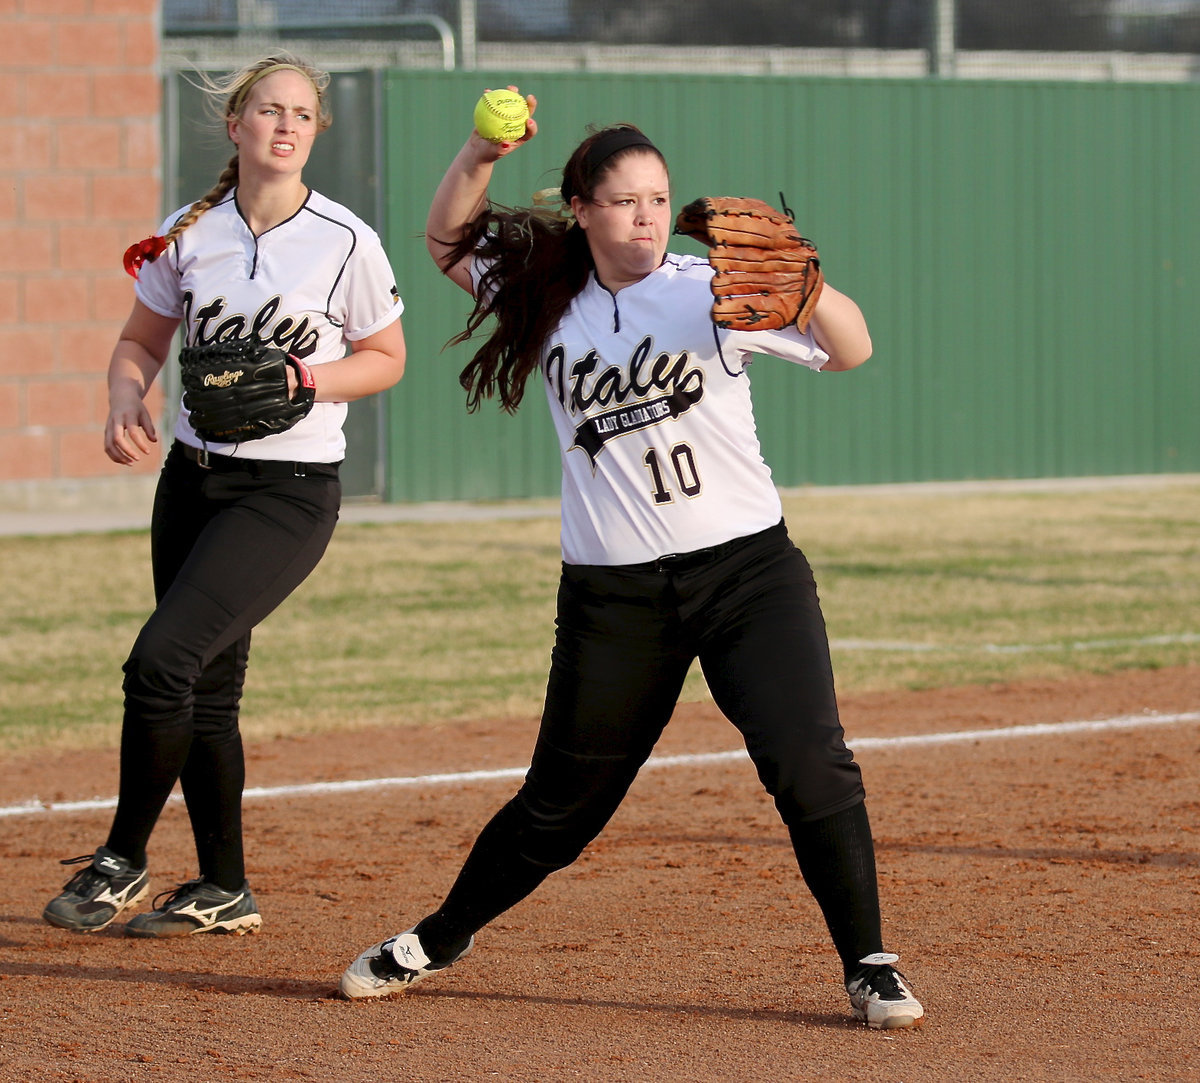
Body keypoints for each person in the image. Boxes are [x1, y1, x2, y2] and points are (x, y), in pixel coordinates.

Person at [340, 91, 924, 1030]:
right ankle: (439, 936)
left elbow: (850, 350)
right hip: (615, 598)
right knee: (563, 804)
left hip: (747, 576)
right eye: (624, 200)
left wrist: (812, 287)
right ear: (581, 209)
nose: (647, 216)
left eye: (658, 198)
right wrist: (484, 150)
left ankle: (871, 964)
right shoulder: (545, 292)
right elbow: (447, 234)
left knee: (810, 762)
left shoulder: (709, 289)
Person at [42, 53, 406, 939]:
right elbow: (139, 341)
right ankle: (224, 885)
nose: (285, 124)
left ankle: (122, 859)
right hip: (193, 479)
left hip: (287, 491)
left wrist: (306, 378)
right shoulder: (190, 229)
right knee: (208, 684)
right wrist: (127, 396)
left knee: (161, 660)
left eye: (303, 114)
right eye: (269, 110)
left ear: (316, 133)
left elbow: (386, 357)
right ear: (236, 124)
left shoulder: (344, 240)